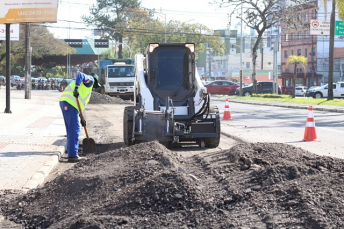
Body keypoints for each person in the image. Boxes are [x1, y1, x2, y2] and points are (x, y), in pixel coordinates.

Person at [59, 72, 100, 162]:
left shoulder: (84, 87)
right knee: (75, 129)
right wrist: (76, 88)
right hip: (70, 104)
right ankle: (73, 155)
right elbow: (81, 75)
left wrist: (82, 118)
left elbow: (79, 105)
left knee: (71, 129)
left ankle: (71, 152)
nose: (93, 87)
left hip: (66, 103)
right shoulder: (90, 80)